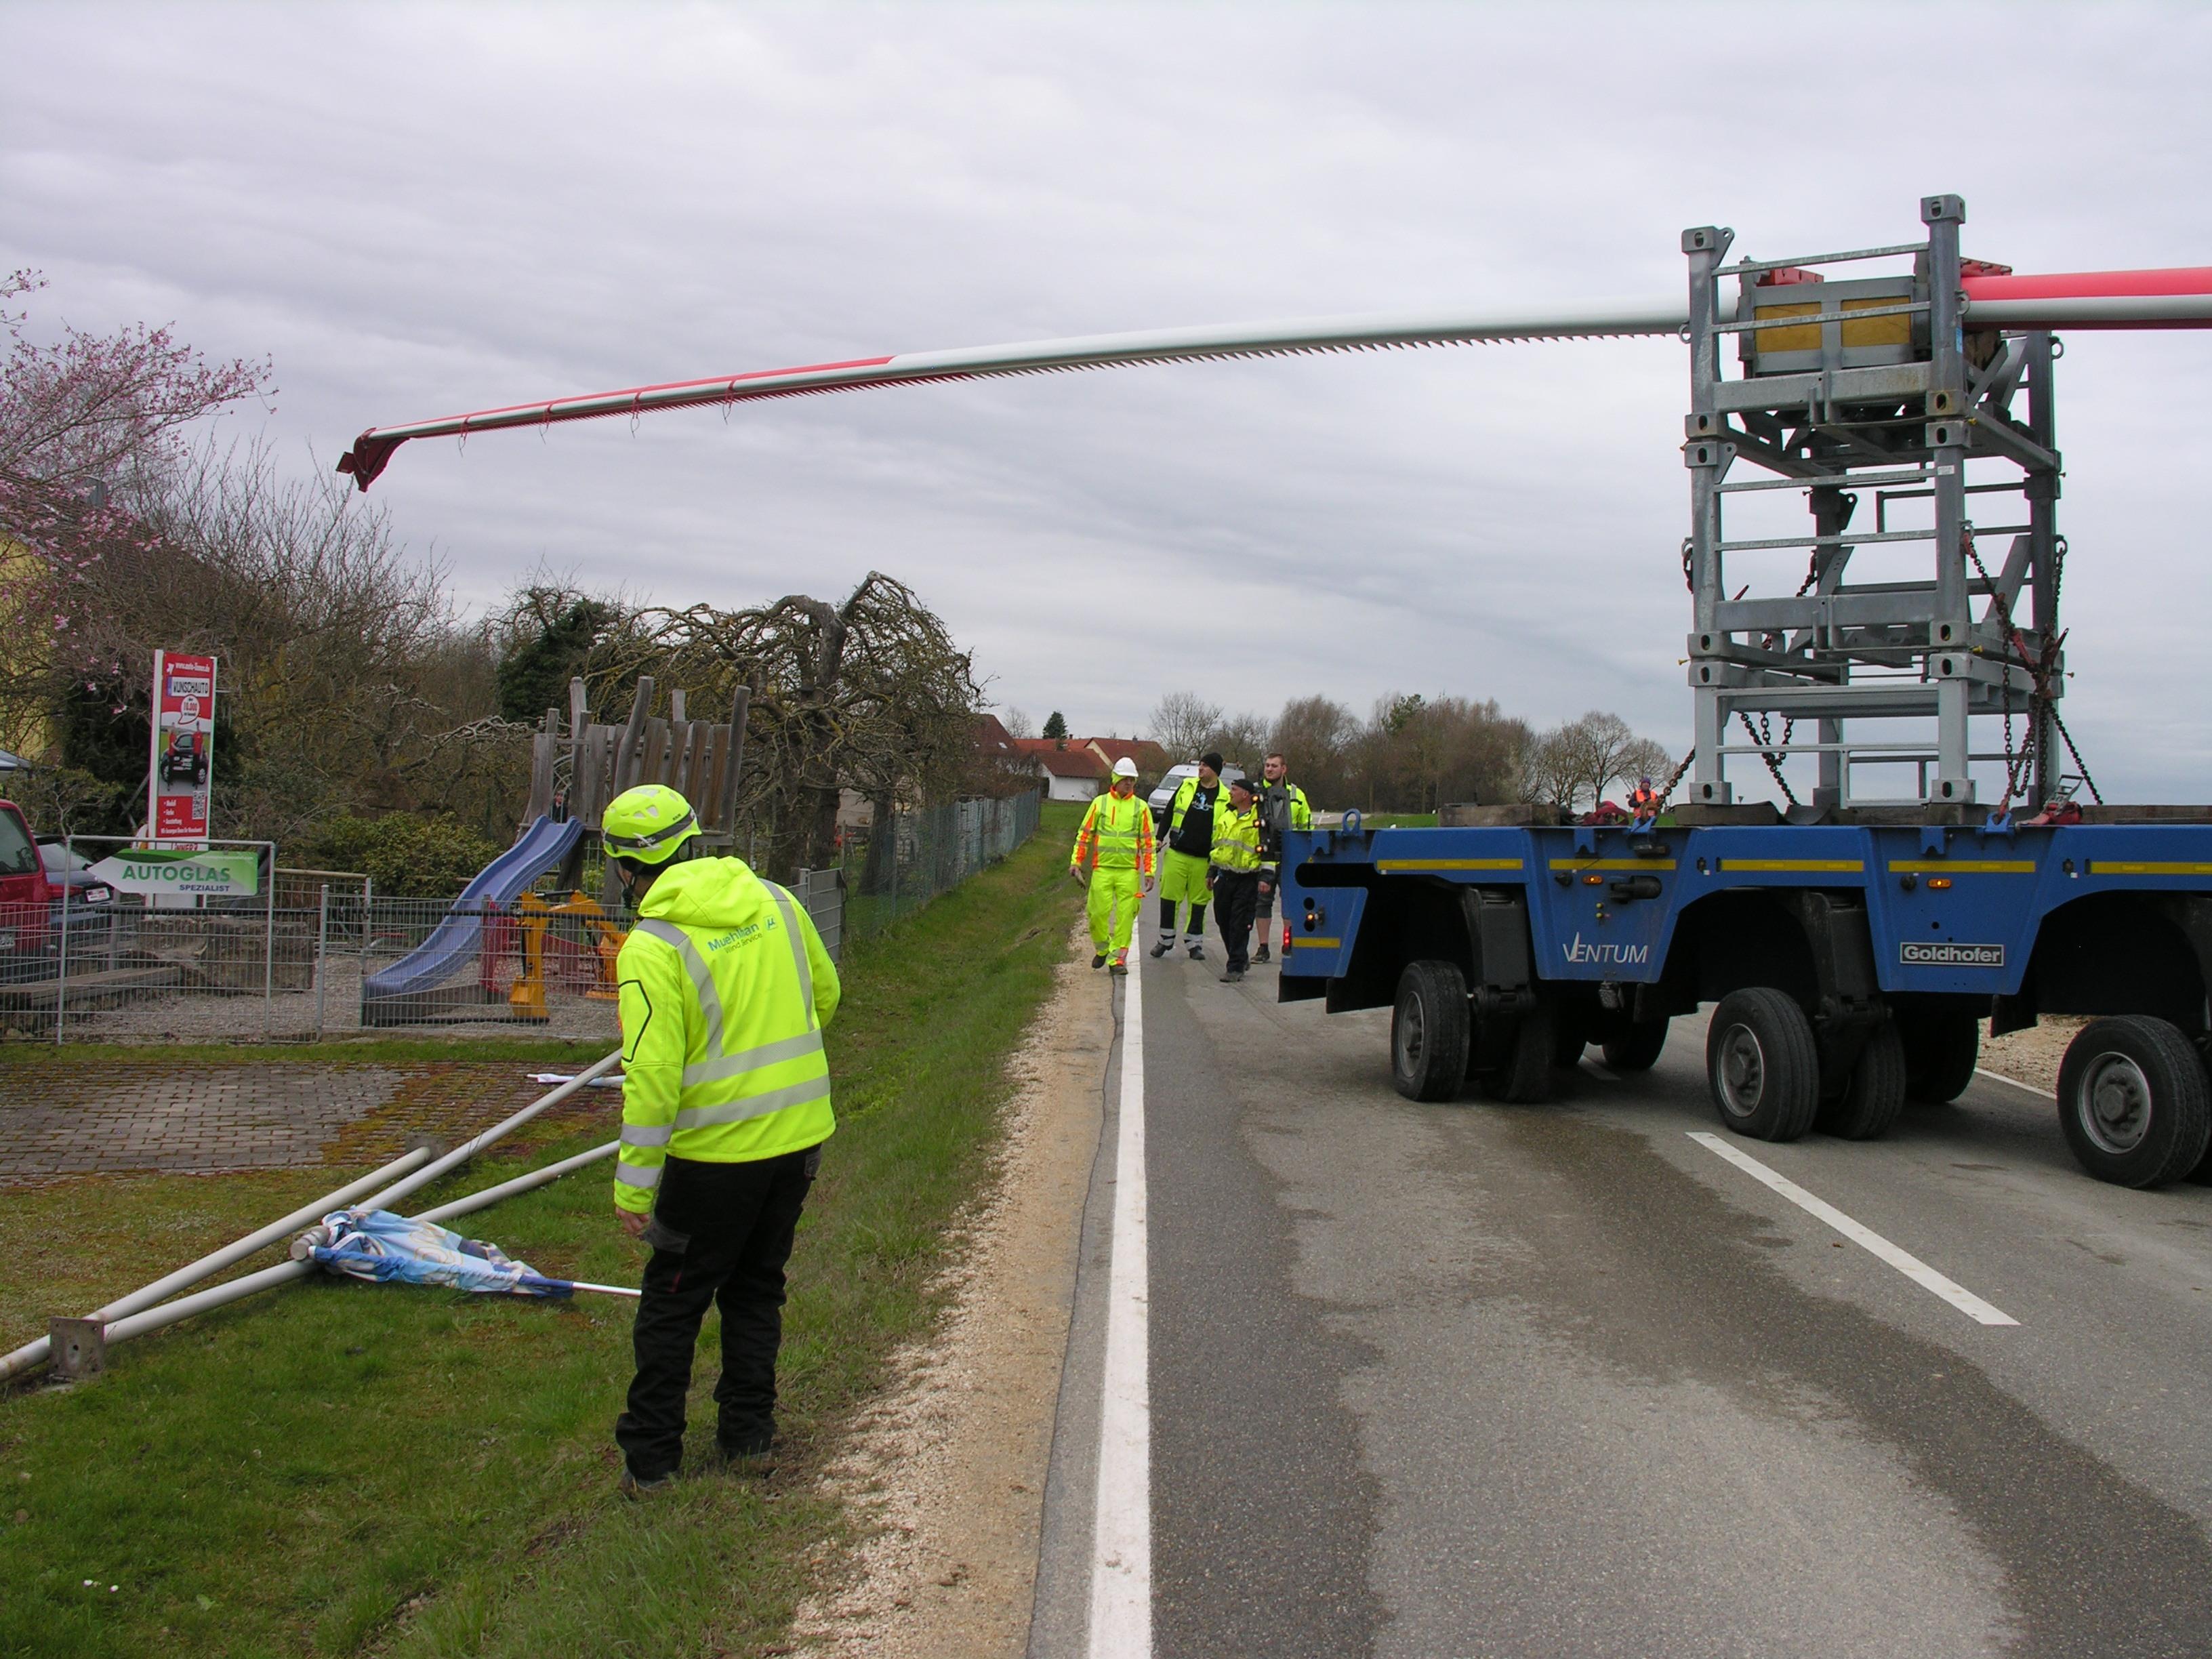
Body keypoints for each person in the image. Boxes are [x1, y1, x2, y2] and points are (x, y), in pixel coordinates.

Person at [602, 783, 840, 1498]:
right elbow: (826, 995)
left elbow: (652, 1079)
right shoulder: (778, 901)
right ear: (692, 839)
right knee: (757, 1288)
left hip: (712, 1159)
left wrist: (634, 1187)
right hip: (799, 1140)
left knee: (673, 1303)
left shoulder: (652, 945)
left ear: (624, 868)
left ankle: (652, 1462)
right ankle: (748, 1437)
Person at [1069, 756, 1157, 974]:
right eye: (1125, 779)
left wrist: (1150, 871)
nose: (1129, 783)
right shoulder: (1100, 804)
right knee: (1097, 914)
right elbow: (1084, 835)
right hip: (1103, 869)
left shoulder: (1141, 807)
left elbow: (1148, 843)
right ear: (1115, 779)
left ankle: (1117, 960)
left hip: (1128, 872)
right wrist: (1076, 862)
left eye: (1132, 779)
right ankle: (1103, 948)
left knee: (1126, 917)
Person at [1153, 752, 1224, 960]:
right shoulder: (1187, 786)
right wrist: (1160, 837)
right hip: (1178, 852)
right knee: (1169, 897)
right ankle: (1165, 940)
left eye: (1205, 766)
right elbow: (1169, 811)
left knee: (1199, 902)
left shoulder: (1225, 796)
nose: (1200, 769)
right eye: (1200, 765)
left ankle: (1194, 943)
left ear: (1215, 771)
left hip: (1204, 859)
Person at [1251, 751, 1312, 964]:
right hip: (1264, 858)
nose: (1269, 769)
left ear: (1284, 769)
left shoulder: (1297, 795)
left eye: (1274, 766)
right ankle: (1263, 947)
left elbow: (1306, 827)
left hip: (1290, 858)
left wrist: (1305, 857)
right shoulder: (1255, 793)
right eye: (1267, 765)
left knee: (1290, 903)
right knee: (1262, 903)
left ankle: (1290, 943)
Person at [1206, 775, 1265, 982]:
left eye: (1234, 790)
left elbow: (1266, 852)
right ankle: (1239, 956)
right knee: (1222, 919)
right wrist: (1211, 871)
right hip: (1225, 878)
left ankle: (1235, 967)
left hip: (1247, 879)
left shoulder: (1258, 820)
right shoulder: (1226, 817)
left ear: (1245, 795)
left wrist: (1266, 877)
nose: (1230, 793)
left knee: (1239, 923)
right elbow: (1218, 847)